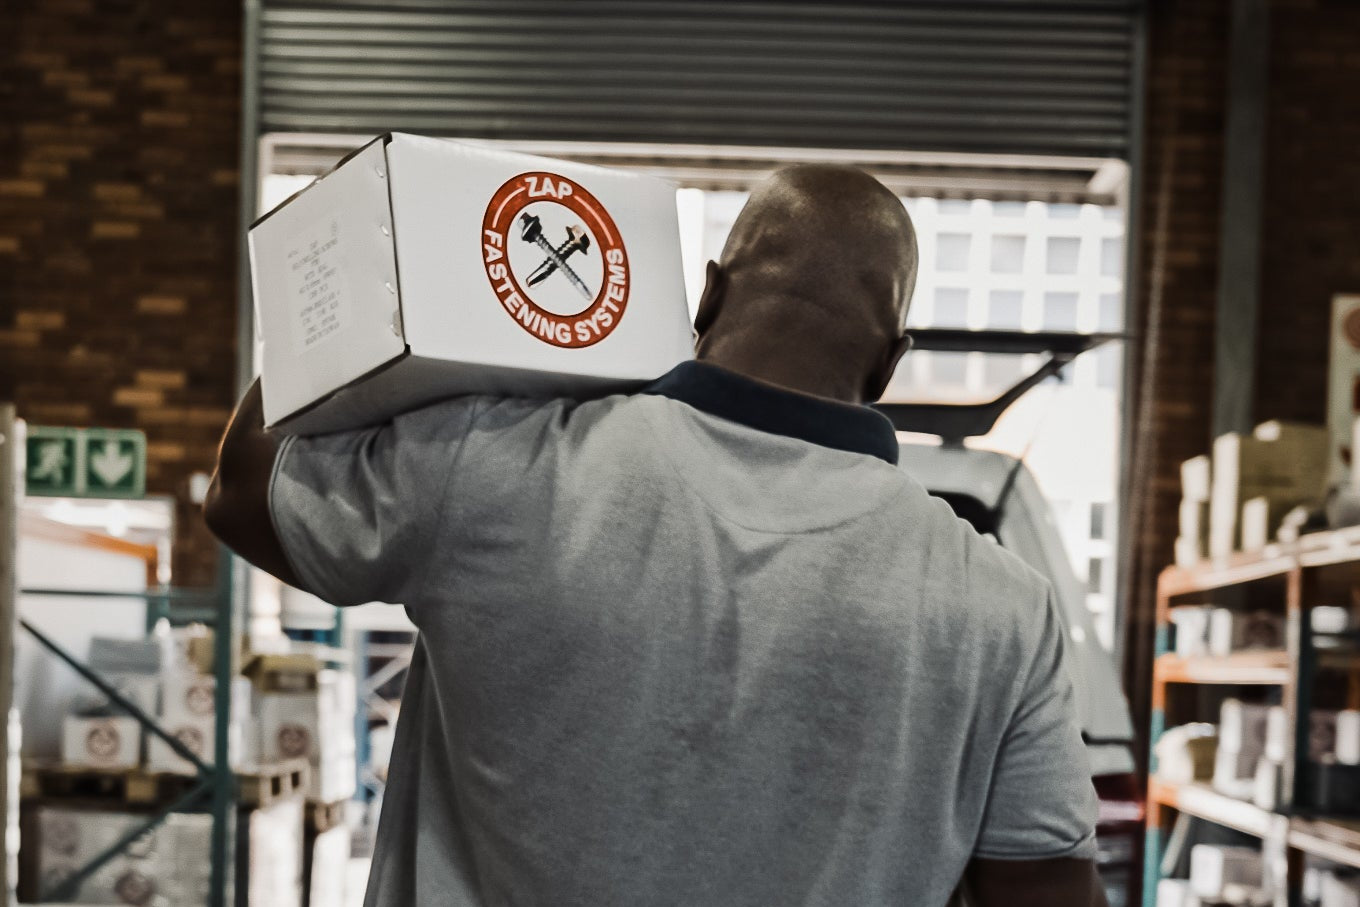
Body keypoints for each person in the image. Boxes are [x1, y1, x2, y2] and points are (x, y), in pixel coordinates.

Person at [206, 164, 1106, 907]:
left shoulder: (501, 465)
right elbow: (1044, 891)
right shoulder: (1001, 610)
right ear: (889, 360)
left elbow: (245, 490)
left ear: (707, 295)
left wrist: (338, 269)